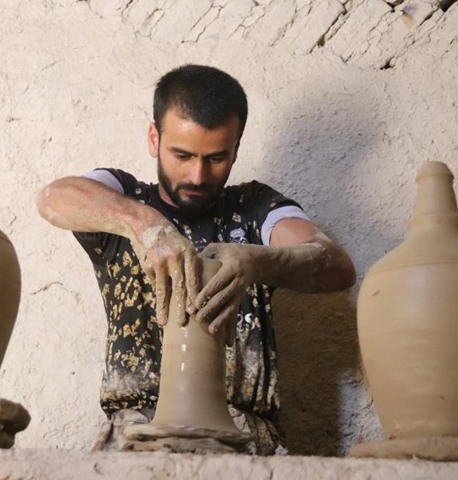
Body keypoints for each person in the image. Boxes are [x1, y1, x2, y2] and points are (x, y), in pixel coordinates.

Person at [36, 64, 356, 454]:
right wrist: (143, 223)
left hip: (244, 434)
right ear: (154, 139)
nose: (198, 174)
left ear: (236, 148)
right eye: (182, 155)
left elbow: (337, 266)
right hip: (138, 428)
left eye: (217, 158)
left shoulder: (255, 208)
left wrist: (259, 261)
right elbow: (53, 197)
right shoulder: (124, 194)